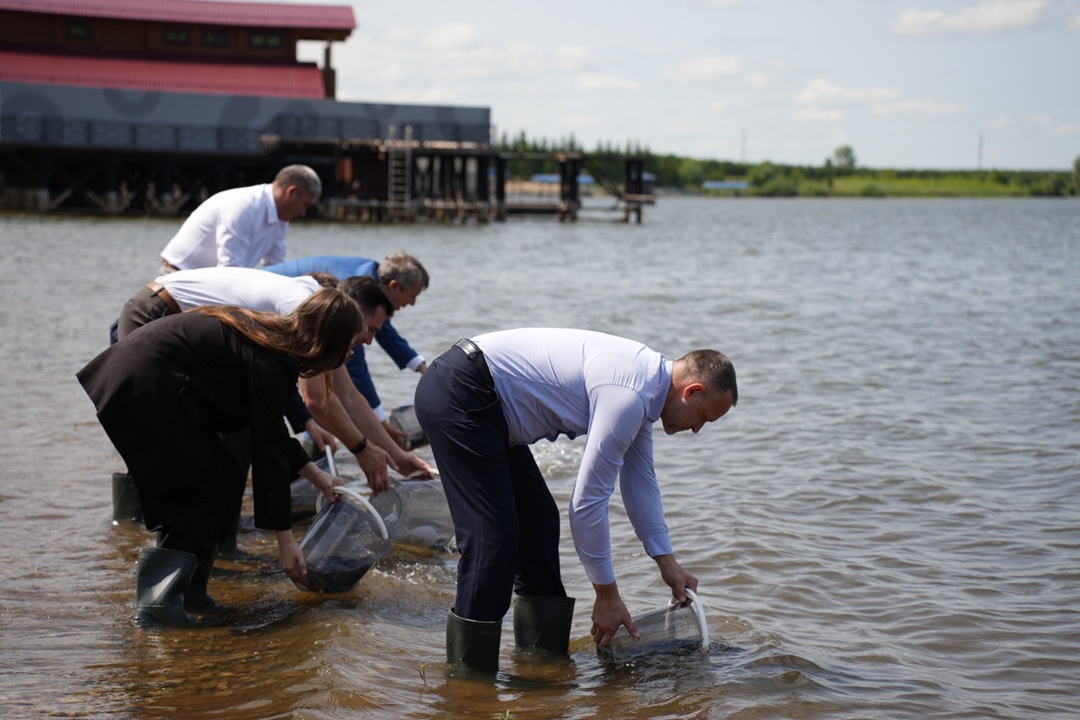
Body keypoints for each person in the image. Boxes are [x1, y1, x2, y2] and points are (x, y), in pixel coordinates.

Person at [413, 329, 738, 672]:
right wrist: (606, 595)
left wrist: (667, 563)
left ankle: (541, 663)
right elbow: (587, 502)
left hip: (488, 406)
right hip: (461, 392)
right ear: (692, 391)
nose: (699, 429)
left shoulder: (646, 390)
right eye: (704, 417)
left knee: (538, 521)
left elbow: (641, 483)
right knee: (492, 538)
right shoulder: (630, 394)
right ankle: (469, 682)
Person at [77, 289, 361, 627]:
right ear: (330, 341)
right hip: (142, 385)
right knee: (203, 493)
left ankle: (190, 594)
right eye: (350, 344)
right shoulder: (273, 360)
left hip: (149, 381)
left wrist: (316, 476)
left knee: (222, 479)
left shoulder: (273, 341)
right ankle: (158, 611)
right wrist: (285, 540)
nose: (353, 351)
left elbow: (268, 430)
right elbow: (267, 448)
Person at [262, 253, 429, 442]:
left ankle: (315, 447)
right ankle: (315, 445)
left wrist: (423, 368)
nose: (413, 303)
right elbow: (354, 370)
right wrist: (379, 425)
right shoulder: (354, 295)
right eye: (413, 295)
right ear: (394, 286)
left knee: (324, 387)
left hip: (269, 309)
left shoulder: (370, 286)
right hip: (253, 307)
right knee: (319, 389)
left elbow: (385, 333)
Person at [159, 164, 322, 273]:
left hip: (211, 281)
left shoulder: (281, 220)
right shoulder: (244, 205)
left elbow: (275, 268)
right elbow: (229, 269)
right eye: (305, 205)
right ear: (291, 193)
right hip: (177, 276)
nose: (303, 213)